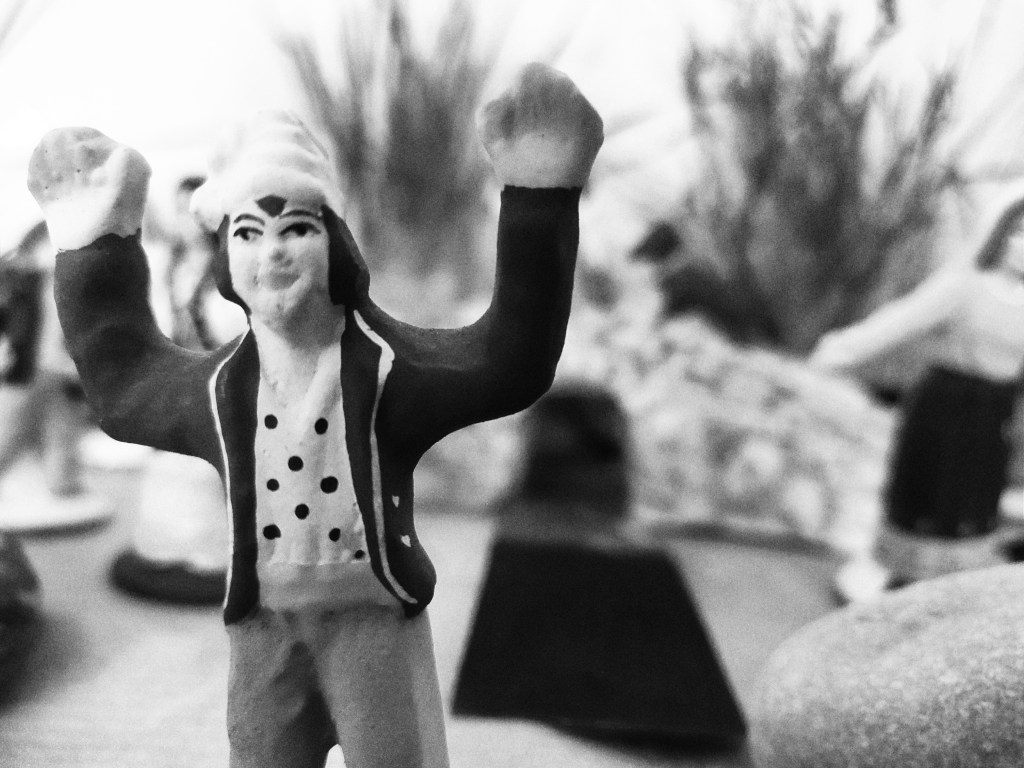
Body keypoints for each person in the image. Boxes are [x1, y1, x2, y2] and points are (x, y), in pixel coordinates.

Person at [28, 62, 602, 768]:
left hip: (374, 629)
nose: (272, 253)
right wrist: (91, 239)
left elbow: (507, 360)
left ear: (335, 242)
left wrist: (541, 196)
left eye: (295, 228)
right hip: (264, 632)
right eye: (248, 233)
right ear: (225, 257)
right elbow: (124, 388)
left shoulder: (392, 372)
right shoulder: (219, 391)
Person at [812, 197, 1024, 600]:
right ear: (1003, 236)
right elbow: (902, 320)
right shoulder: (965, 287)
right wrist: (841, 350)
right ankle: (877, 576)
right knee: (922, 493)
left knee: (969, 504)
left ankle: (939, 592)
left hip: (992, 419)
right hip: (943, 408)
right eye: (1020, 233)